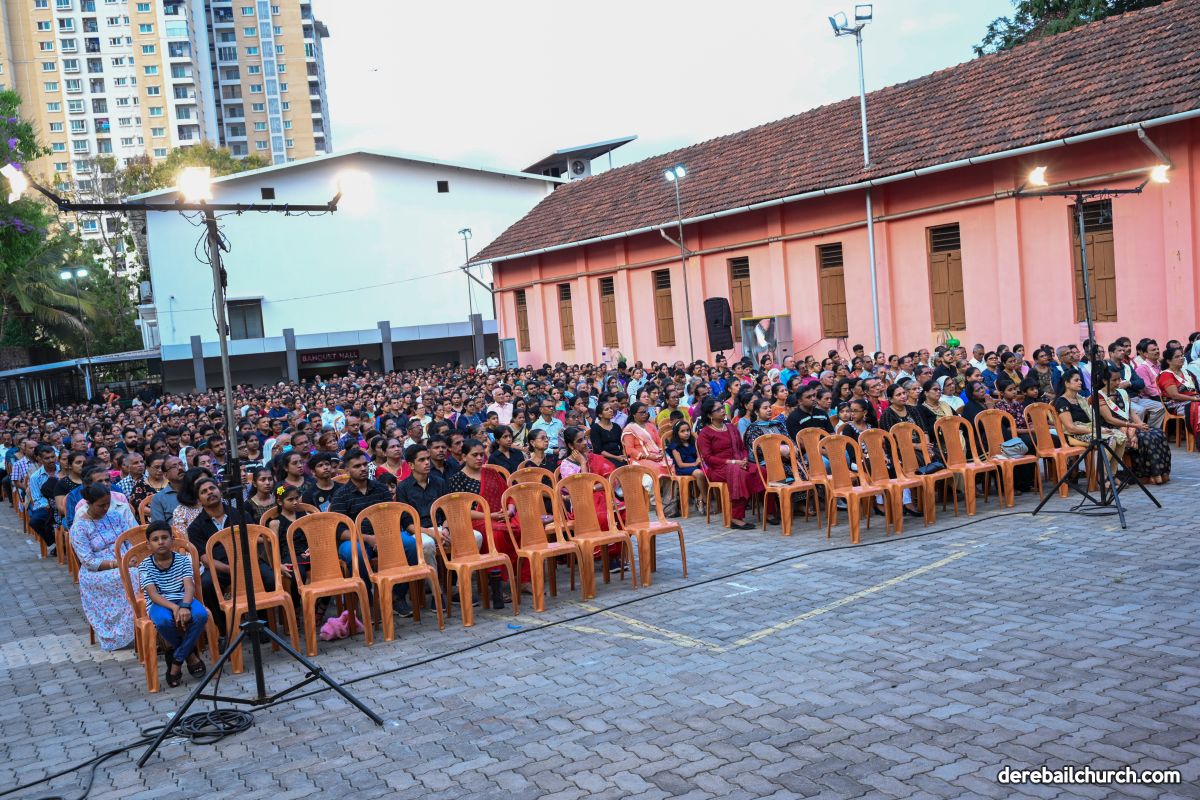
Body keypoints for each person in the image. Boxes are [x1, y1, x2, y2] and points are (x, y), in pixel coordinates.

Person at [139, 520, 209, 687]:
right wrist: (174, 607)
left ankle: (176, 660)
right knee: (163, 621)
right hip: (160, 603)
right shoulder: (145, 565)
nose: (160, 542)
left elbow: (189, 586)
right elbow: (153, 594)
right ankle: (190, 655)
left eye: (164, 538)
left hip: (184, 598)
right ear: (148, 545)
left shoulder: (183, 560)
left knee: (201, 615)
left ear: (172, 540)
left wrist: (184, 605)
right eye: (155, 539)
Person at [69, 484, 137, 651]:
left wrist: (133, 555)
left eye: (108, 503)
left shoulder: (115, 516)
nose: (106, 508)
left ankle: (149, 624)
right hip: (97, 572)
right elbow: (89, 561)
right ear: (89, 503)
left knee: (149, 570)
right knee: (134, 575)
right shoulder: (79, 527)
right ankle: (128, 630)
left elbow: (128, 540)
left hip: (126, 562)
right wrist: (119, 563)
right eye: (101, 505)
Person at [696, 398, 764, 530]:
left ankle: (770, 512)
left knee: (762, 471)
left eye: (722, 407)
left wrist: (744, 459)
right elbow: (708, 458)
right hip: (718, 469)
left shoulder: (731, 427)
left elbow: (742, 448)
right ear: (709, 415)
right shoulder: (705, 433)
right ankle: (736, 518)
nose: (722, 410)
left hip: (738, 463)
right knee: (741, 475)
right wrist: (733, 462)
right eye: (718, 409)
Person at [1097, 364, 1171, 484]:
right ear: (1105, 381)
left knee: (1157, 433)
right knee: (1145, 438)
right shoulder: (1099, 396)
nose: (1118, 382)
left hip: (1128, 426)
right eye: (1114, 380)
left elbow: (1131, 412)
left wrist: (1141, 425)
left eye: (1119, 379)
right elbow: (1109, 419)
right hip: (1111, 428)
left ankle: (1161, 472)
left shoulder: (1122, 392)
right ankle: (1143, 474)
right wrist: (1134, 427)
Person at [1054, 369, 1124, 487]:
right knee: (1110, 439)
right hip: (1074, 435)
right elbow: (1071, 428)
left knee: (1121, 437)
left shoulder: (1080, 399)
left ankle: (1112, 474)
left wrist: (1098, 429)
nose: (1080, 382)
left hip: (1089, 429)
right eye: (1076, 380)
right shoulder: (1062, 401)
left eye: (1080, 380)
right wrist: (1097, 430)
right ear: (1067, 383)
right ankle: (1102, 477)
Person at [1156, 345, 1200, 438]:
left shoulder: (1187, 372)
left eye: (1182, 355)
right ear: (1169, 361)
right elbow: (1175, 395)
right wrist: (1195, 399)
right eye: (1177, 357)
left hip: (1193, 400)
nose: (1181, 358)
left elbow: (1196, 389)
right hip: (1176, 404)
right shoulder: (1166, 375)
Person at [621, 402, 669, 477]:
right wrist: (648, 457)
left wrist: (662, 453)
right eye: (642, 412)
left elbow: (659, 442)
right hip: (640, 459)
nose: (645, 414)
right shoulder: (629, 429)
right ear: (634, 414)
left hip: (657, 455)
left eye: (646, 412)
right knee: (658, 468)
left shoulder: (650, 425)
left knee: (672, 465)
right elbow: (629, 449)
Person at [149, 456, 186, 524]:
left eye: (181, 464)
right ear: (166, 475)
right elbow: (159, 526)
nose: (180, 468)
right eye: (174, 466)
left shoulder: (196, 489)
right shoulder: (159, 498)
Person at [589, 401, 626, 468]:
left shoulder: (616, 426)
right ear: (600, 415)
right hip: (604, 458)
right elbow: (599, 451)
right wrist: (616, 457)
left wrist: (624, 455)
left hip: (618, 455)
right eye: (607, 409)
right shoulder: (595, 428)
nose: (611, 410)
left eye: (611, 408)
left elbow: (622, 444)